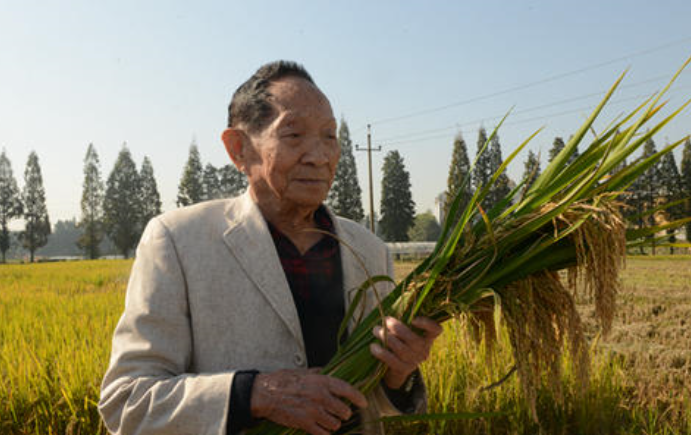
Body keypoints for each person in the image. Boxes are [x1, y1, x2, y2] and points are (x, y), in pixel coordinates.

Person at [99, 60, 442, 435]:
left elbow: (374, 402)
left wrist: (399, 375)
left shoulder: (369, 250)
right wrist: (254, 394)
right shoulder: (179, 241)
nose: (320, 156)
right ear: (239, 149)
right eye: (293, 136)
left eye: (329, 136)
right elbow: (127, 402)